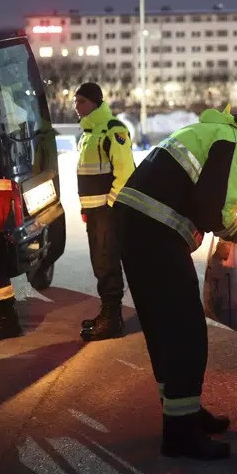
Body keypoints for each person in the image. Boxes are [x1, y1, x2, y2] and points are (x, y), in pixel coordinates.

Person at [116, 108, 237, 460]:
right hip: (153, 230)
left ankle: (183, 413)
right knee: (185, 330)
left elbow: (201, 199)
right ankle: (180, 434)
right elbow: (215, 209)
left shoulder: (219, 134)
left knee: (165, 327)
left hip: (138, 225)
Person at [75, 83, 135, 340]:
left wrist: (110, 205)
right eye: (76, 102)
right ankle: (108, 313)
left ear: (95, 102)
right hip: (95, 211)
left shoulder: (112, 130)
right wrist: (85, 208)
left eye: (81, 102)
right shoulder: (87, 134)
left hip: (107, 211)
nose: (77, 107)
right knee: (100, 263)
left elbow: (125, 172)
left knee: (107, 262)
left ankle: (112, 321)